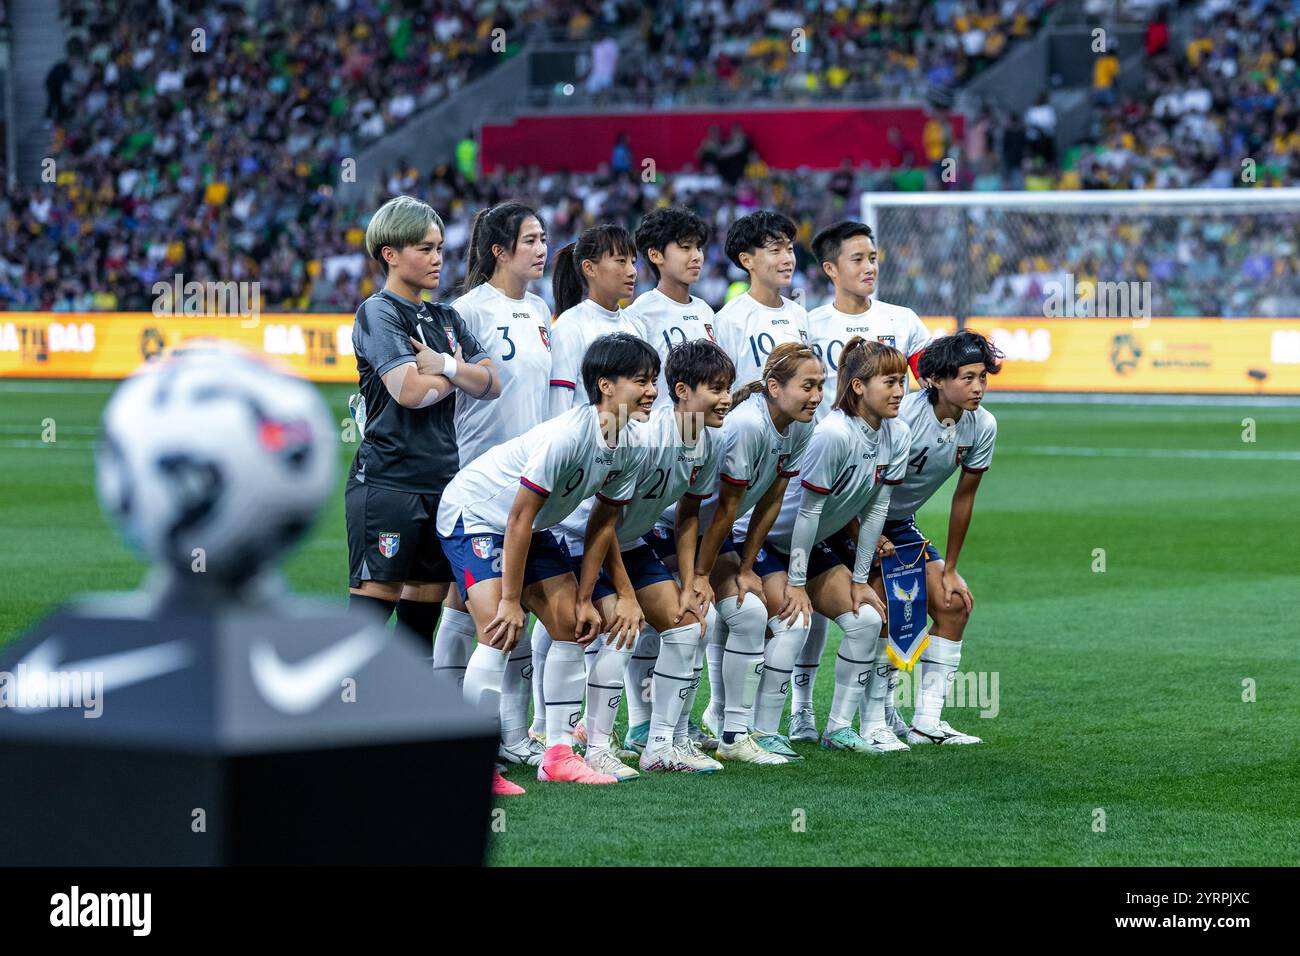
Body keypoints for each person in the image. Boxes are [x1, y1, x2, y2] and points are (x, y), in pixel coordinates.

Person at [437, 333, 657, 791]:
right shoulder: (567, 436)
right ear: (606, 386)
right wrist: (512, 601)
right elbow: (517, 517)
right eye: (641, 380)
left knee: (574, 626)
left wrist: (583, 597)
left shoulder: (633, 442)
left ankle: (557, 753)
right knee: (499, 630)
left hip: (529, 527)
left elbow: (601, 526)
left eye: (654, 380)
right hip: (475, 513)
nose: (652, 390)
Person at [555, 340, 735, 776]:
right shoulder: (647, 439)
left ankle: (659, 746)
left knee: (687, 626)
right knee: (623, 627)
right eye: (716, 389)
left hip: (629, 543)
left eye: (728, 388)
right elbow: (603, 524)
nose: (727, 399)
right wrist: (625, 592)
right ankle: (594, 746)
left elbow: (688, 516)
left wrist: (693, 581)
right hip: (584, 542)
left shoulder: (707, 443)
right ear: (683, 392)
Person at [786, 220, 932, 742]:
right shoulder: (808, 323)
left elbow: (930, 375)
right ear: (830, 268)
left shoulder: (902, 319)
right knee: (814, 611)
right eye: (857, 258)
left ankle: (879, 711)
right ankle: (801, 711)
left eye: (873, 257)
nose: (869, 266)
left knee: (879, 598)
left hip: (872, 476)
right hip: (814, 475)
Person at [345, 196, 501, 651]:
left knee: (419, 624)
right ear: (390, 254)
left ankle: (399, 720)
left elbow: (493, 383)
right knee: (370, 620)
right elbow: (408, 393)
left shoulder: (446, 316)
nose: (437, 258)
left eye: (438, 248)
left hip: (440, 484)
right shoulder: (378, 311)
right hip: (388, 483)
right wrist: (458, 374)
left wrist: (447, 369)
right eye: (424, 249)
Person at [434, 201, 551, 768]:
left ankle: (494, 732)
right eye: (529, 239)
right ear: (499, 251)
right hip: (481, 477)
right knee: (499, 614)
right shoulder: (466, 311)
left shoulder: (541, 310)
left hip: (531, 478)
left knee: (469, 602)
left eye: (544, 237)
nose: (541, 247)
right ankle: (493, 734)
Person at [762, 339, 912, 754]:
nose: (900, 391)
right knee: (787, 622)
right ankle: (755, 729)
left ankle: (839, 729)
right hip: (769, 542)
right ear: (859, 386)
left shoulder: (897, 434)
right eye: (890, 382)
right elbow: (807, 514)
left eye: (902, 381)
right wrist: (796, 582)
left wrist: (861, 579)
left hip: (813, 546)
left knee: (865, 620)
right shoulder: (832, 433)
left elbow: (877, 508)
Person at [528, 223, 645, 745]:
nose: (631, 269)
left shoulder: (634, 321)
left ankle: (573, 728)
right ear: (589, 269)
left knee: (582, 613)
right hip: (576, 488)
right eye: (619, 261)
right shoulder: (571, 326)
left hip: (616, 477)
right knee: (567, 613)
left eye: (633, 260)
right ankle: (543, 727)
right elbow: (560, 415)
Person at [687, 342, 822, 765]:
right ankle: (656, 730)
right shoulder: (746, 425)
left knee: (750, 613)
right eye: (807, 386)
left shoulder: (801, 425)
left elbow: (772, 499)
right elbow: (724, 509)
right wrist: (703, 575)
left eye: (820, 386)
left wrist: (746, 566)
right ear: (774, 387)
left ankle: (735, 731)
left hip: (719, 537)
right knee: (700, 616)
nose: (816, 397)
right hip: (682, 533)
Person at [620, 205, 719, 751]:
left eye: (699, 245)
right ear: (656, 256)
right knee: (642, 606)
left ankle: (670, 725)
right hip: (647, 467)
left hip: (687, 467)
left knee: (680, 604)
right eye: (684, 246)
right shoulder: (642, 314)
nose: (697, 255)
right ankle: (641, 720)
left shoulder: (708, 311)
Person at [875, 330, 1001, 746]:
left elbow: (963, 499)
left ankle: (926, 723)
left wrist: (951, 568)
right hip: (853, 520)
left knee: (953, 604)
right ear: (936, 380)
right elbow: (863, 487)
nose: (978, 387)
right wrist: (865, 538)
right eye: (967, 378)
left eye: (983, 376)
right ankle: (872, 720)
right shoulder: (903, 419)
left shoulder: (982, 425)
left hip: (899, 524)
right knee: (883, 613)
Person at [713, 211, 811, 391]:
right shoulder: (728, 320)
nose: (788, 259)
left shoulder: (799, 315)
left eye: (790, 249)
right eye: (775, 251)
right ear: (746, 260)